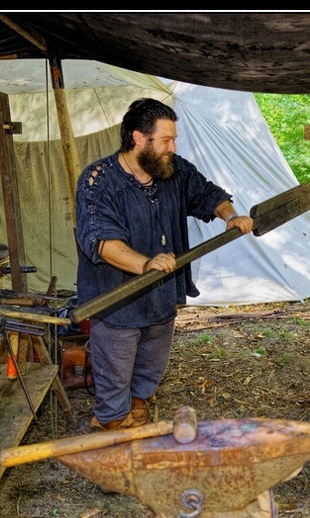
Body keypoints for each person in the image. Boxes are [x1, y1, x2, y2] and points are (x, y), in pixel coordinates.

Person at [74, 98, 254, 431]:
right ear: (138, 138)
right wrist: (146, 263)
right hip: (117, 306)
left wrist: (230, 216)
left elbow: (209, 193)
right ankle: (115, 456)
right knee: (114, 394)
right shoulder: (98, 181)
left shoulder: (172, 170)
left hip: (161, 303)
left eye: (174, 139)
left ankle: (138, 428)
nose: (173, 146)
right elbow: (102, 243)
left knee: (145, 383)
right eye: (166, 140)